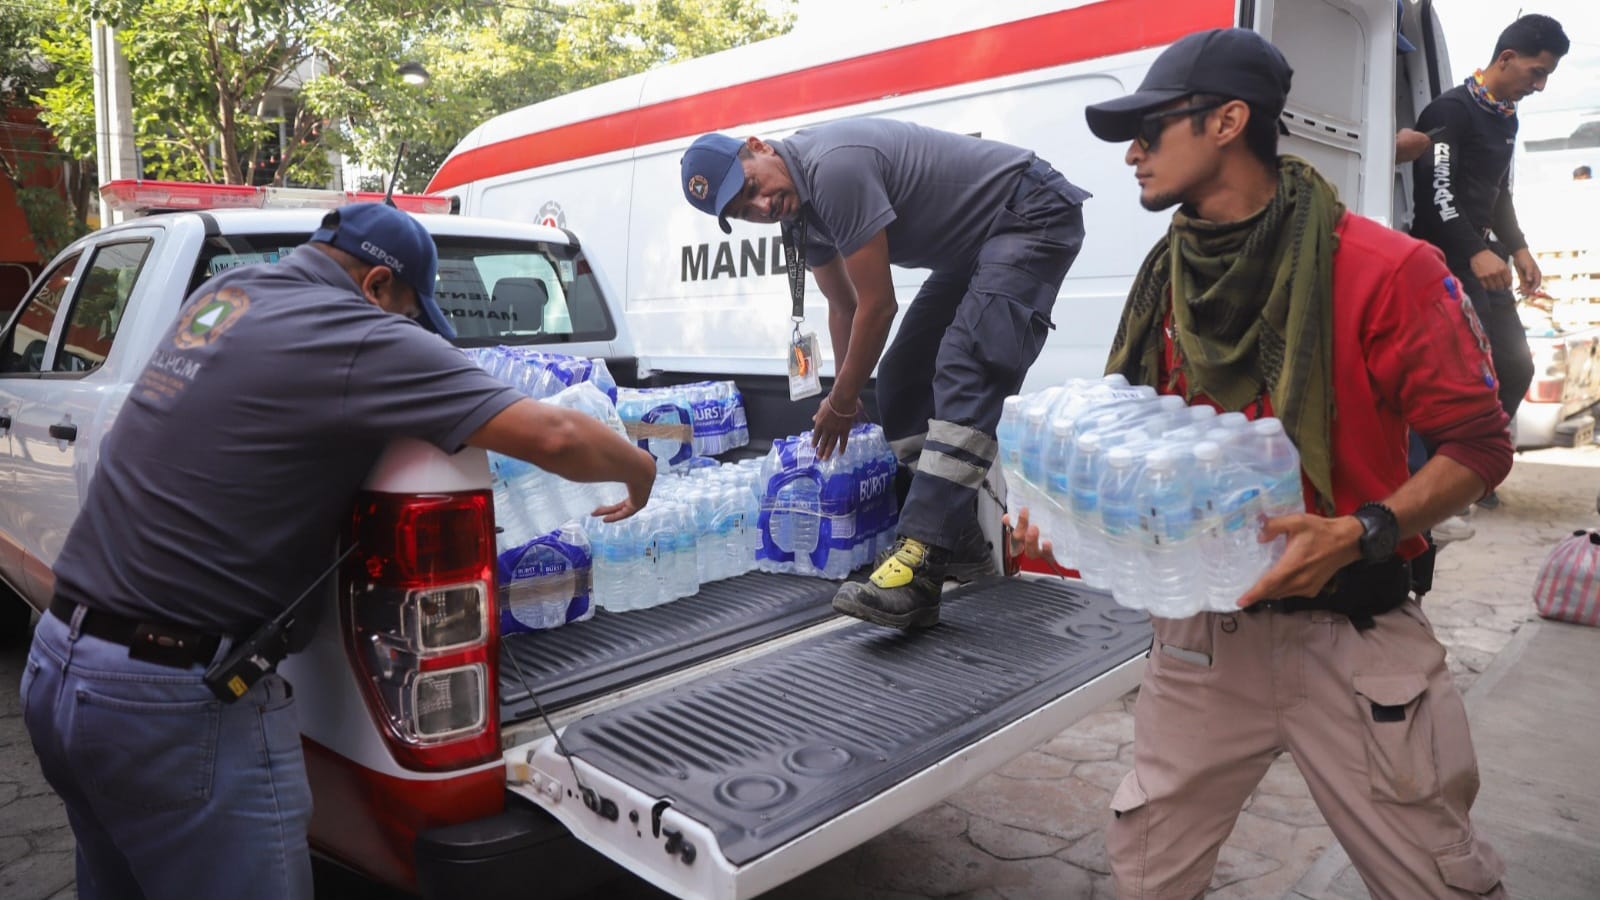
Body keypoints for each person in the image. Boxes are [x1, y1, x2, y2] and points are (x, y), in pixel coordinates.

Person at [18, 203, 658, 900]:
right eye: (411, 311)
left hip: (61, 669)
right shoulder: (358, 334)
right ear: (377, 285)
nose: (408, 329)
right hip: (173, 710)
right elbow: (558, 436)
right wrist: (639, 468)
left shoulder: (223, 297)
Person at [1012, 28, 1514, 898]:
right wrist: (1075, 515)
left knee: (1436, 878)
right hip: (1203, 640)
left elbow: (1481, 444)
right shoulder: (1170, 276)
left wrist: (1365, 530)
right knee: (1146, 872)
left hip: (1351, 639)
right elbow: (1146, 442)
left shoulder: (1388, 270)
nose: (1131, 154)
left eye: (1150, 129)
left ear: (1227, 122)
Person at [678, 119, 1088, 628]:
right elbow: (843, 306)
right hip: (979, 246)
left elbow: (879, 306)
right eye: (743, 211)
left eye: (752, 188)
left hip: (1030, 212)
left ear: (758, 148)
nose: (760, 207)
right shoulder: (799, 216)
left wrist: (845, 401)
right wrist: (846, 392)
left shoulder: (833, 169)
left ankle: (920, 563)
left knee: (965, 363)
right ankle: (957, 539)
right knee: (900, 379)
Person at [1411, 13, 1569, 509]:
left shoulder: (1506, 116)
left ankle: (1467, 467)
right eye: (1536, 73)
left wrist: (1517, 246)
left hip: (1487, 257)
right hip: (1446, 257)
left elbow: (1498, 192)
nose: (1539, 86)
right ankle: (1440, 478)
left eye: (1546, 77)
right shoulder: (1449, 111)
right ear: (1506, 59)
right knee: (1463, 371)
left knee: (1516, 366)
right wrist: (1475, 251)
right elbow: (1434, 194)